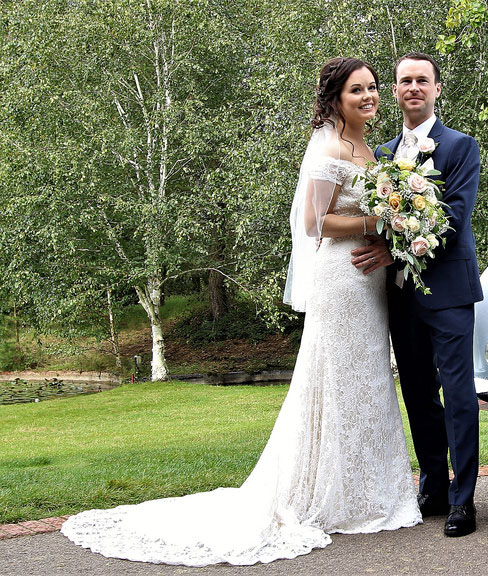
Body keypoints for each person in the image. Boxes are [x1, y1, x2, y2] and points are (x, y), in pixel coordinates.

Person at [60, 57, 421, 566]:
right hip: (341, 280)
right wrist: (376, 218)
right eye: (357, 90)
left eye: (372, 88)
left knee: (368, 381)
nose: (370, 97)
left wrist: (392, 222)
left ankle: (369, 494)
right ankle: (324, 495)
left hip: (371, 283)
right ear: (336, 98)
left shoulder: (371, 149)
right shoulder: (330, 148)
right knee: (335, 379)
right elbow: (315, 222)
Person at [351, 52, 483, 538]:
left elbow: (453, 215)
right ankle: (434, 484)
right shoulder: (382, 155)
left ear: (436, 89)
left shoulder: (461, 147)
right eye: (404, 80)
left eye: (421, 80)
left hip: (448, 290)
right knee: (418, 394)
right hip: (402, 299)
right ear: (396, 90)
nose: (413, 88)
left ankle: (464, 500)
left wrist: (395, 251)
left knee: (459, 393)